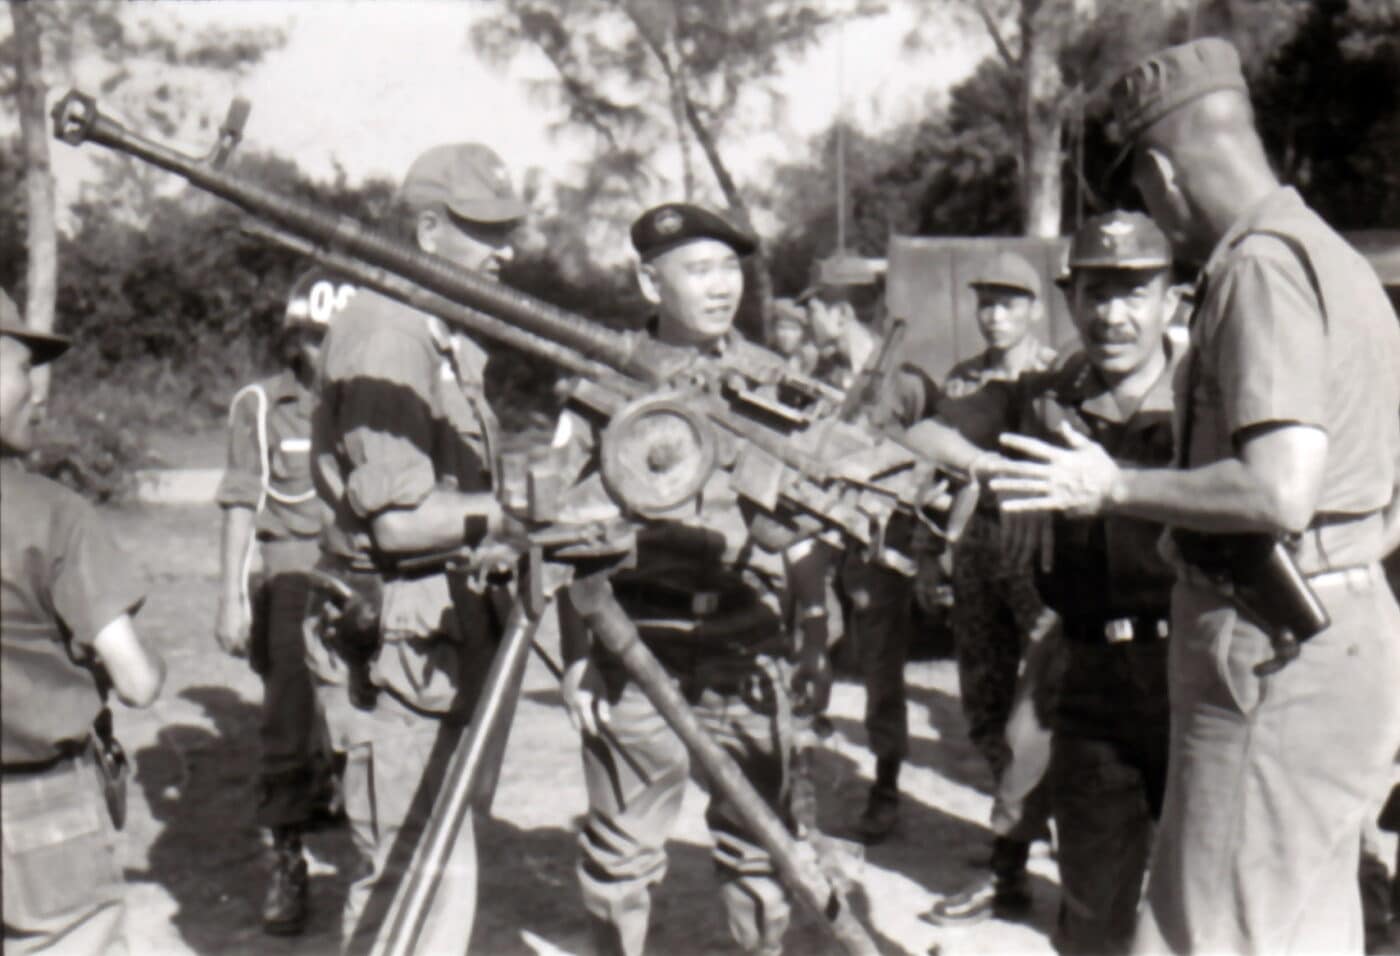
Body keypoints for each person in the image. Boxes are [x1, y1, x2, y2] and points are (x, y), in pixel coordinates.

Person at [991, 37, 1400, 953]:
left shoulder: (1257, 269)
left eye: (1142, 193)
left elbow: (1280, 488)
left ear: (1165, 175)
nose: (1153, 213)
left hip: (1269, 657)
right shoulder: (1338, 263)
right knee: (1301, 927)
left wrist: (1116, 485)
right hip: (1345, 633)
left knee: (1201, 935)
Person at [554, 202, 834, 956]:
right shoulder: (602, 387)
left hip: (747, 644)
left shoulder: (775, 384)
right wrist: (578, 655)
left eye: (730, 269)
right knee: (622, 859)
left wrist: (814, 629)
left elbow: (807, 524)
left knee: (760, 849)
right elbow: (558, 532)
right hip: (639, 645)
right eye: (699, 270)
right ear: (650, 282)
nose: (721, 288)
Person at [310, 142, 524, 952]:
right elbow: (398, 526)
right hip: (398, 638)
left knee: (443, 864)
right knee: (409, 877)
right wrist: (511, 516)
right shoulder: (389, 333)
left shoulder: (439, 331)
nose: (507, 250)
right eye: (485, 230)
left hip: (443, 629)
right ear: (429, 229)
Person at [1005, 211, 1178, 953]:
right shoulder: (1050, 397)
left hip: (1195, 673)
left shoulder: (1211, 396)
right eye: (1096, 292)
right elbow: (918, 429)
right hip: (1091, 681)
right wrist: (992, 477)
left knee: (1210, 907)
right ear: (1071, 301)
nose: (1113, 314)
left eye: (1135, 292)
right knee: (1093, 911)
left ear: (1171, 302)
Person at [1, 289, 166, 954]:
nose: (37, 392)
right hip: (39, 810)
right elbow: (138, 682)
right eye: (20, 368)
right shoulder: (51, 514)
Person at [921, 250, 1058, 926]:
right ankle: (1023, 828)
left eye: (1010, 303)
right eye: (986, 302)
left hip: (1040, 557)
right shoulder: (964, 377)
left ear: (1035, 309)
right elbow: (935, 465)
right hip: (977, 551)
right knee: (982, 700)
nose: (996, 314)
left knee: (1038, 711)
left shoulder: (1057, 372)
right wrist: (933, 554)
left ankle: (1018, 855)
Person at [213, 268, 350, 935]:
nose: (329, 353)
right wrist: (230, 597)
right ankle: (288, 861)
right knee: (288, 720)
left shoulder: (376, 400)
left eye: (342, 338)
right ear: (294, 340)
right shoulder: (262, 405)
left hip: (364, 575)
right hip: (293, 574)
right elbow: (241, 502)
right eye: (317, 339)